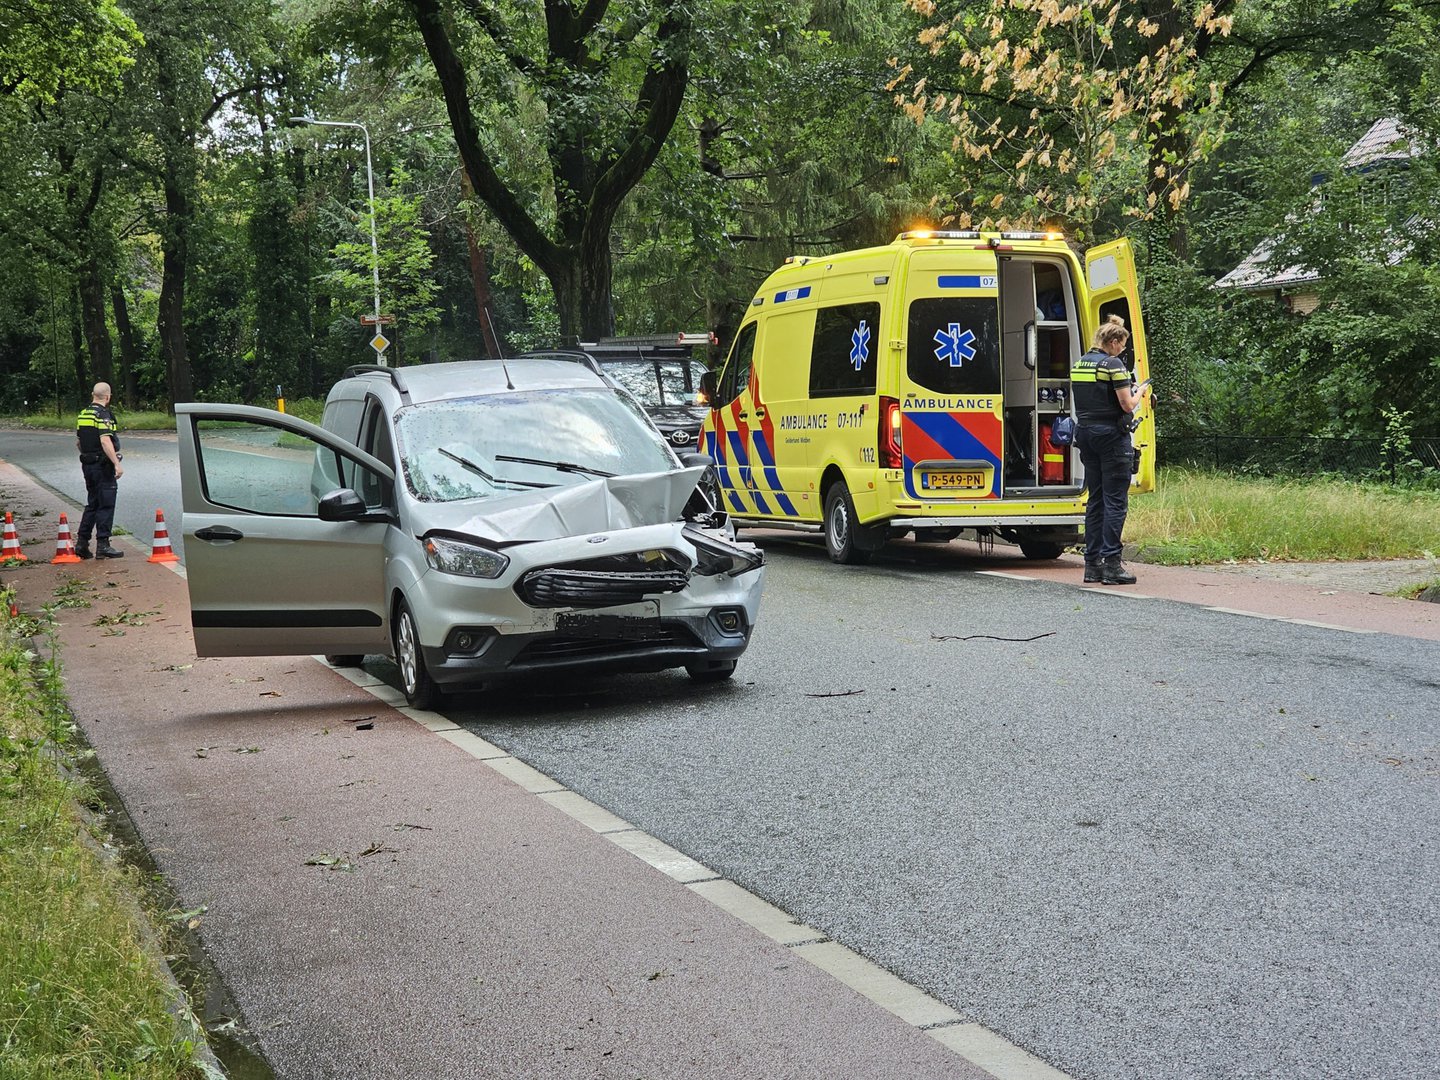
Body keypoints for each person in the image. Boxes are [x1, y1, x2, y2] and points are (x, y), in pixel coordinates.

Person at [1070, 315, 1149, 584]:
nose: (1123, 351)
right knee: (1116, 502)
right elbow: (1127, 405)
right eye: (1122, 346)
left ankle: (1092, 565)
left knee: (1096, 500)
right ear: (1113, 341)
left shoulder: (1080, 363)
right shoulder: (1113, 364)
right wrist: (1141, 393)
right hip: (1111, 437)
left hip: (1086, 433)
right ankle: (1113, 565)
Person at [75, 382, 125, 559]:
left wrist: (88, 456)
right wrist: (116, 464)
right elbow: (105, 441)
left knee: (92, 503)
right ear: (108, 397)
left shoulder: (83, 414)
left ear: (92, 394)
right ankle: (103, 544)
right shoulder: (103, 415)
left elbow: (79, 442)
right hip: (102, 466)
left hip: (87, 465)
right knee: (106, 504)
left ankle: (82, 543)